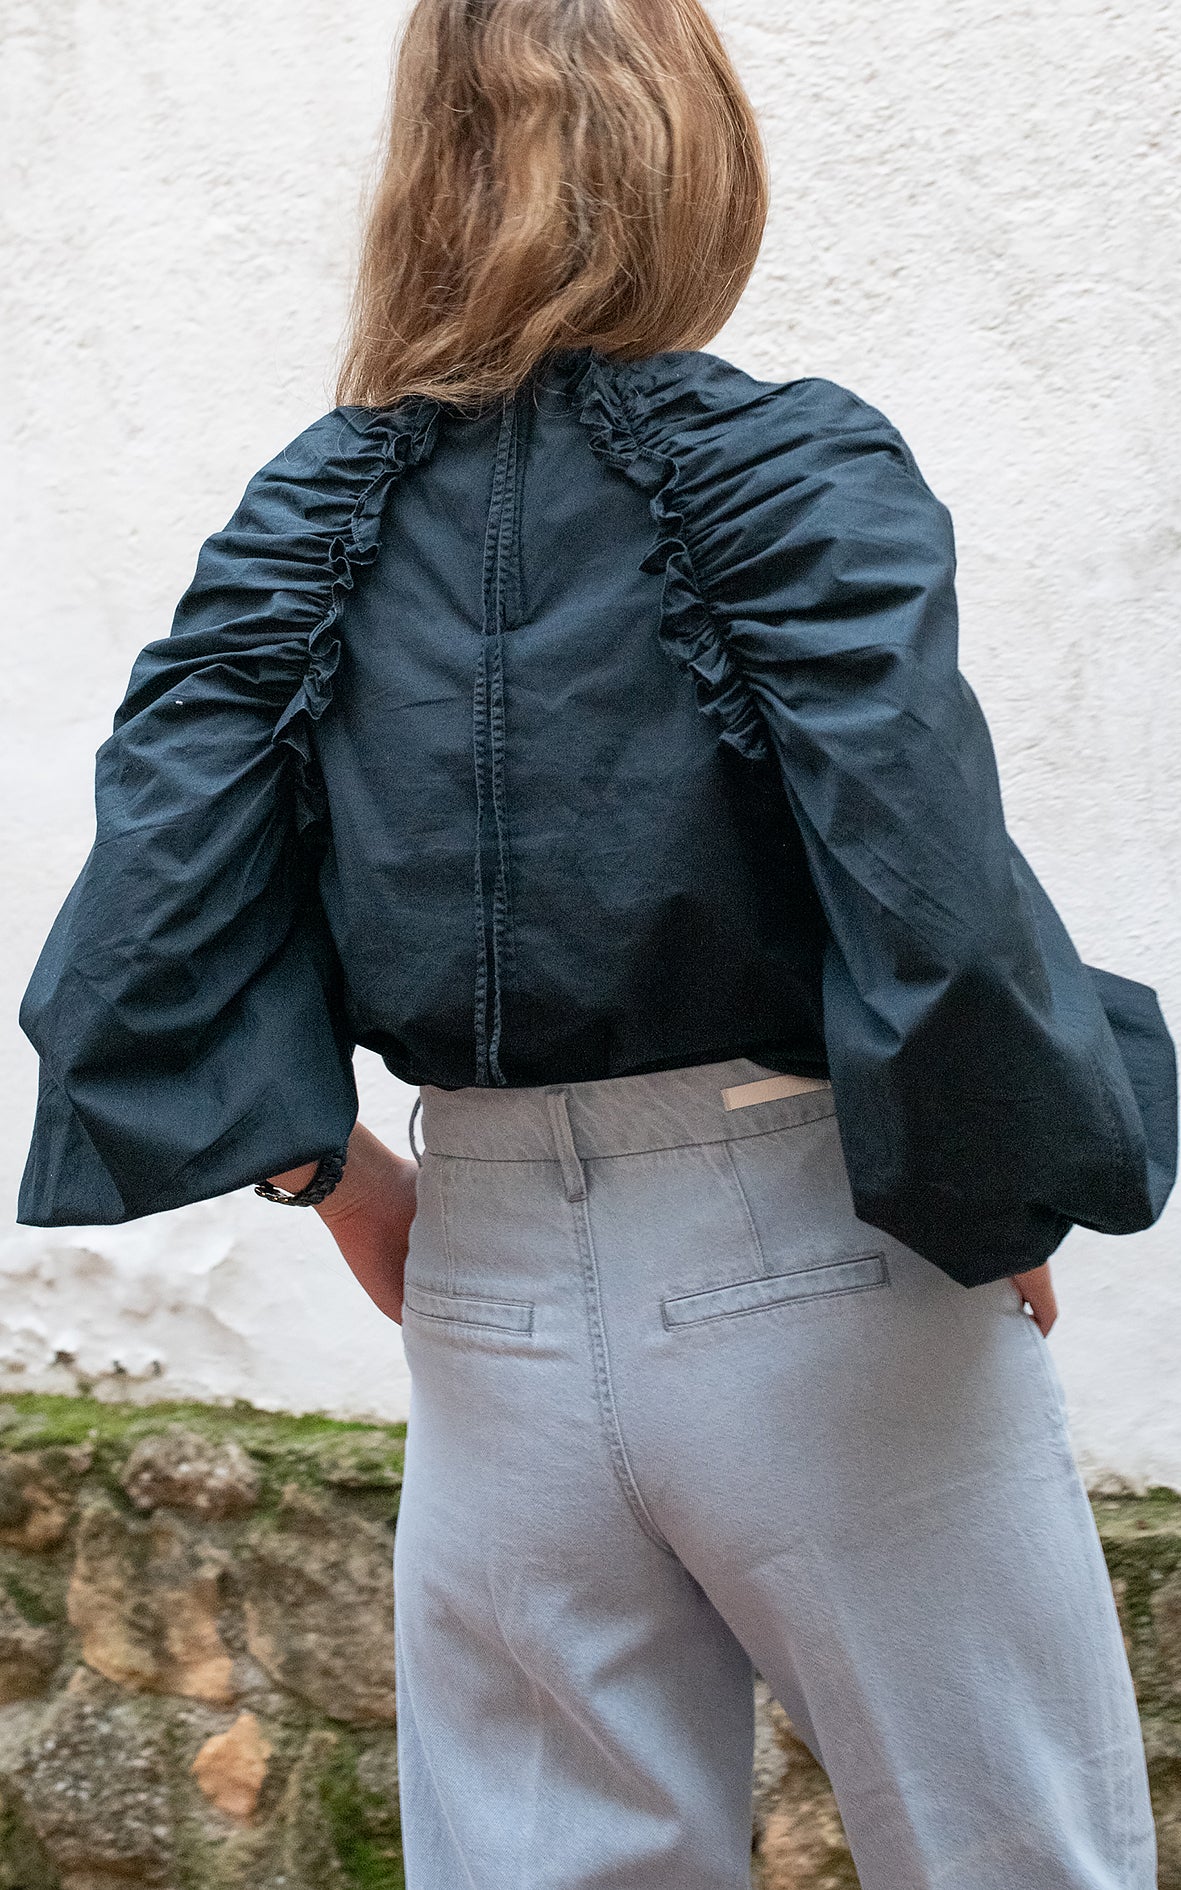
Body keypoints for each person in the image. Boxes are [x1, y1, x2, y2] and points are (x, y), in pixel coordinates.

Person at [16, 0, 1176, 1884]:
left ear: (424, 169)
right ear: (691, 151)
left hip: (486, 1304)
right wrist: (994, 1180)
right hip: (820, 1249)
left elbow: (140, 922)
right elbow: (928, 887)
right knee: (1014, 1853)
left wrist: (333, 1173)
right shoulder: (788, 475)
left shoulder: (314, 509)